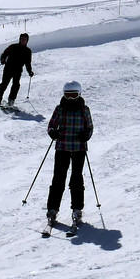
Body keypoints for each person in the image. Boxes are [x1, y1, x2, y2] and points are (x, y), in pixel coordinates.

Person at [46, 81, 94, 227]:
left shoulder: (84, 109)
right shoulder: (60, 109)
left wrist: (86, 135)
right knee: (58, 179)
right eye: (68, 95)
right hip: (62, 147)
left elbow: (90, 127)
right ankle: (53, 209)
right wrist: (53, 133)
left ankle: (77, 209)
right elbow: (51, 126)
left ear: (79, 94)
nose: (71, 99)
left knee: (76, 179)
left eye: (73, 95)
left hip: (79, 148)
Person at [0, 33, 34, 106]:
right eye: (22, 39)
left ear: (27, 41)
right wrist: (3, 59)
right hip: (8, 68)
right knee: (4, 83)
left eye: (25, 39)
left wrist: (30, 71)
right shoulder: (13, 46)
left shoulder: (28, 51)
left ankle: (11, 100)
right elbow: (5, 53)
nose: (23, 40)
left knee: (16, 85)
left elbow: (28, 63)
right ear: (20, 39)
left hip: (18, 70)